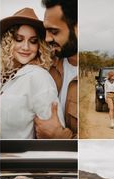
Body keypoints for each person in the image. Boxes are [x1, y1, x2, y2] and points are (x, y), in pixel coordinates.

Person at [0, 8, 65, 139]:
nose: (26, 47)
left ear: (39, 45)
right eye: (19, 39)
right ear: (8, 42)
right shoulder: (5, 75)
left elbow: (54, 133)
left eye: (33, 41)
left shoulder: (39, 77)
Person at [34, 0, 78, 139]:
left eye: (54, 31)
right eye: (46, 31)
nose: (47, 38)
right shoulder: (45, 64)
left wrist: (60, 136)